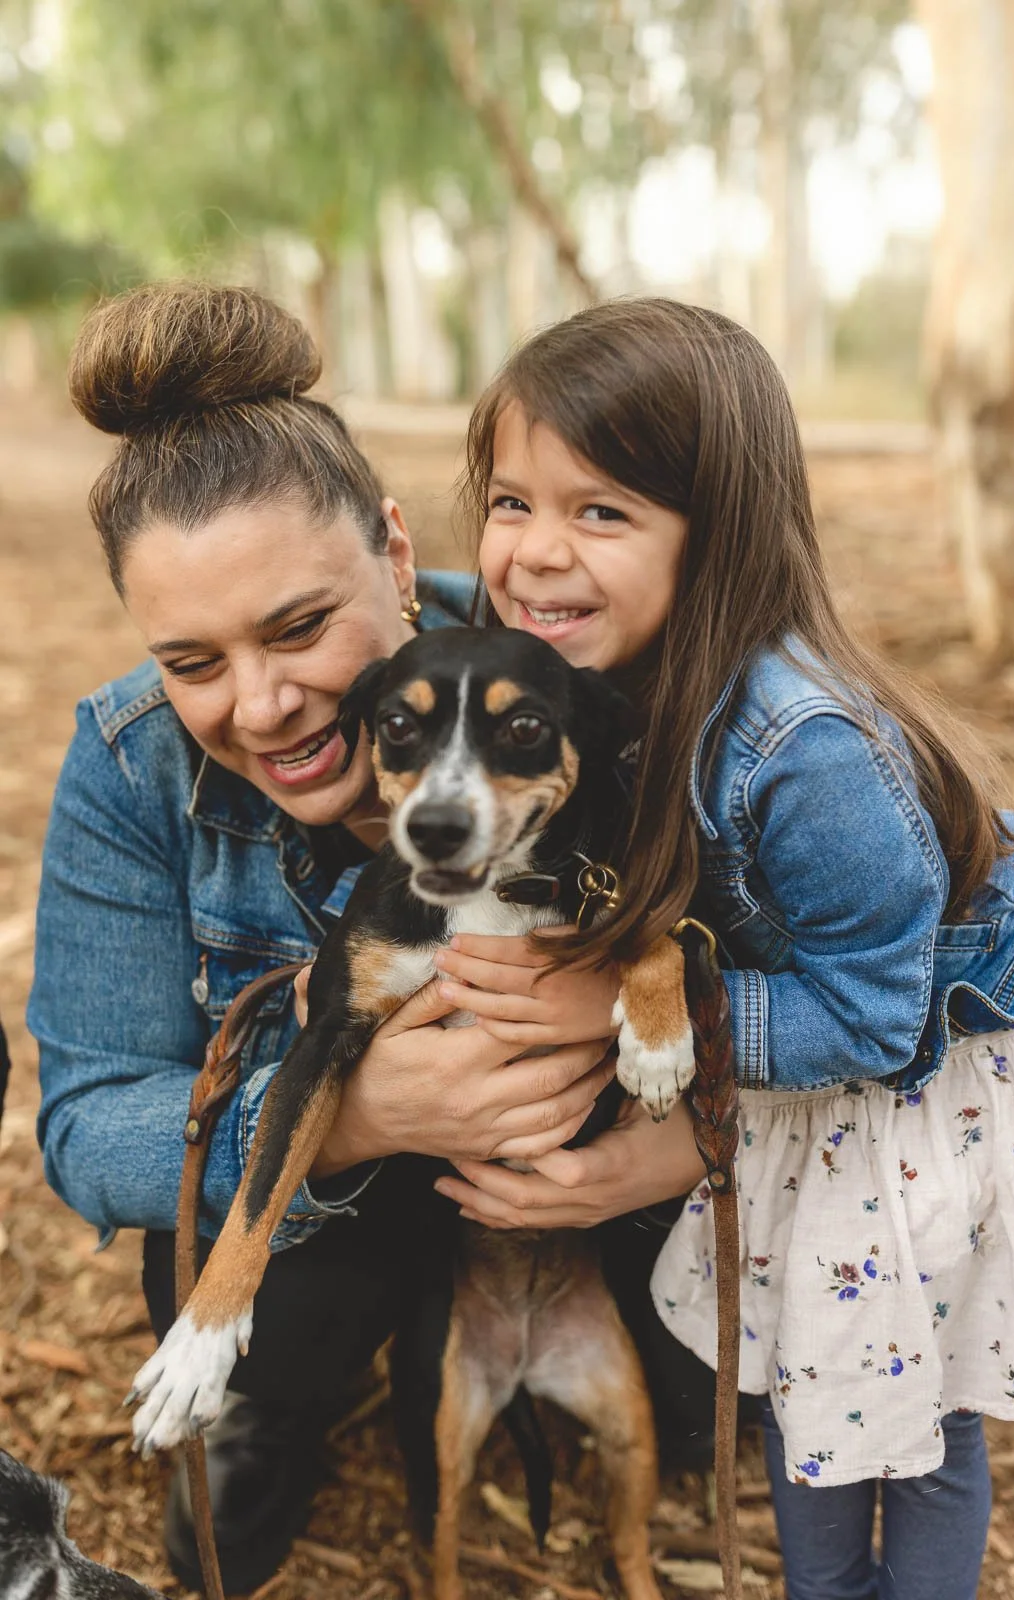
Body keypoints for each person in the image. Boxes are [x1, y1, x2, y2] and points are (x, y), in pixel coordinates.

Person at [27, 284, 716, 1594]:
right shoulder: (129, 767)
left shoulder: (573, 681)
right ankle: (277, 1404)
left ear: (396, 555)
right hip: (335, 1200)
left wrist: (666, 1143)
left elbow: (820, 968)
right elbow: (88, 1121)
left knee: (704, 1417)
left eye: (298, 627)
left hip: (591, 1166)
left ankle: (651, 1367)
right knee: (221, 1252)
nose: (266, 704)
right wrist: (362, 1115)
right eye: (192, 660)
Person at [429, 298, 1014, 1600]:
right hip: (808, 1066)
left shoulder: (803, 751)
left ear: (712, 536)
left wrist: (610, 1010)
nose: (535, 554)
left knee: (914, 1406)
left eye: (599, 512)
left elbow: (878, 1021)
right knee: (802, 1376)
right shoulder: (601, 676)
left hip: (924, 1074)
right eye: (510, 502)